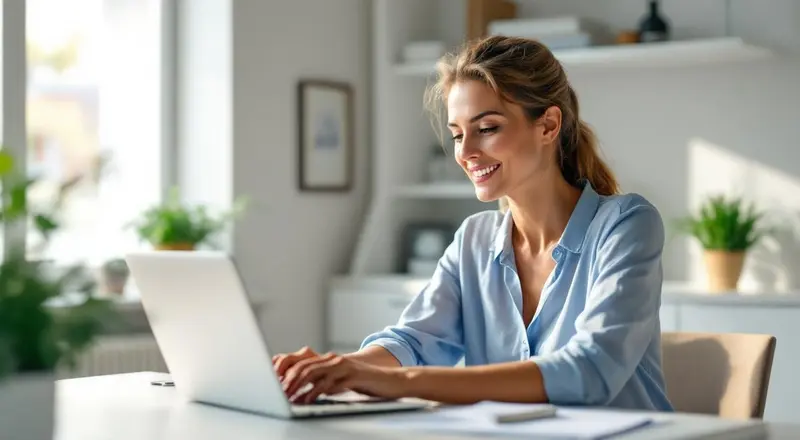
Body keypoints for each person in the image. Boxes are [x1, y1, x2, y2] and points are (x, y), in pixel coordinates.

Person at [272, 35, 674, 412]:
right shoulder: (474, 239)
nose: (466, 153)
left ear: (549, 126)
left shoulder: (626, 225)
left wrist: (403, 382)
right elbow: (413, 341)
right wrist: (337, 370)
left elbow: (590, 371)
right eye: (457, 134)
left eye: (487, 129)